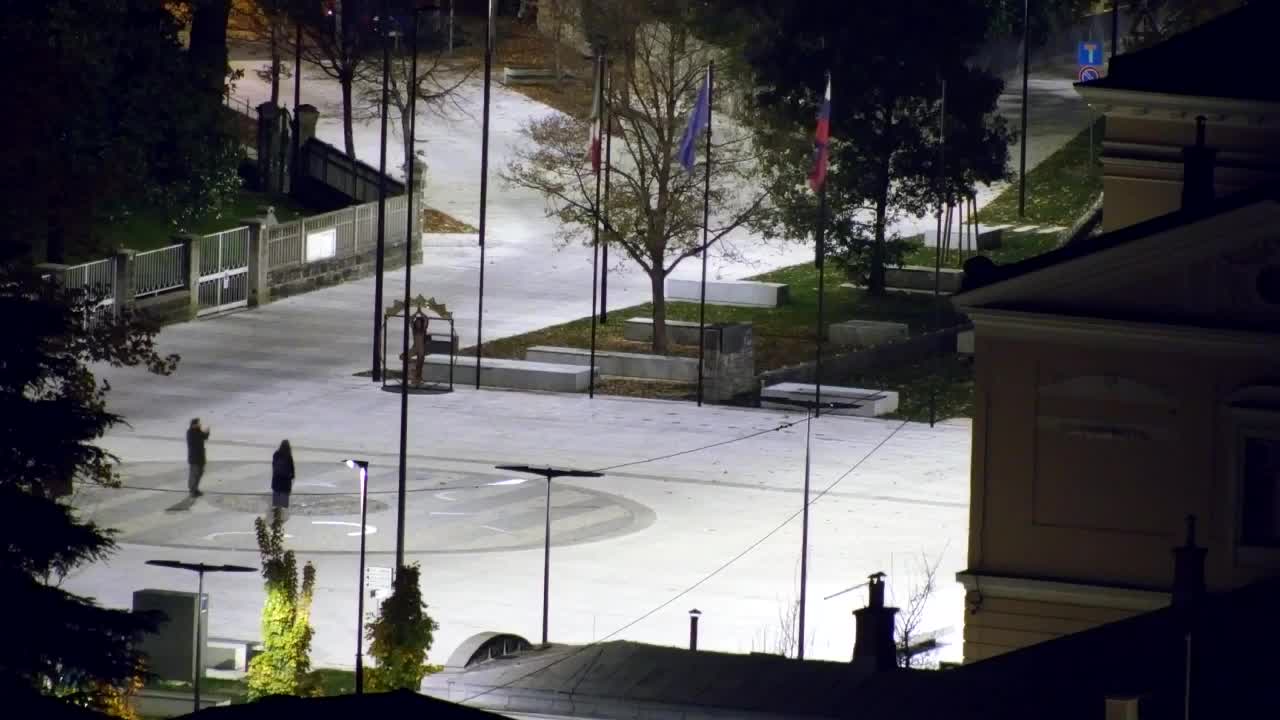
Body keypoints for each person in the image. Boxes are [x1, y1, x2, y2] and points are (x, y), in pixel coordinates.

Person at [186, 418, 210, 497]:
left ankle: (195, 489)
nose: (200, 424)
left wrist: (207, 432)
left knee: (199, 474)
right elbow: (197, 440)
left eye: (200, 423)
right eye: (198, 423)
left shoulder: (198, 431)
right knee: (194, 474)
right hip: (194, 458)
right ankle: (192, 490)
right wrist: (203, 433)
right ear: (194, 424)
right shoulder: (190, 432)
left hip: (200, 457)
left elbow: (204, 437)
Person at [271, 440, 296, 510]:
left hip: (276, 483)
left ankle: (276, 519)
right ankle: (282, 519)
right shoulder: (288, 456)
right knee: (284, 507)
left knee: (276, 506)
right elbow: (292, 472)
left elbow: (274, 467)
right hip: (285, 485)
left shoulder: (276, 454)